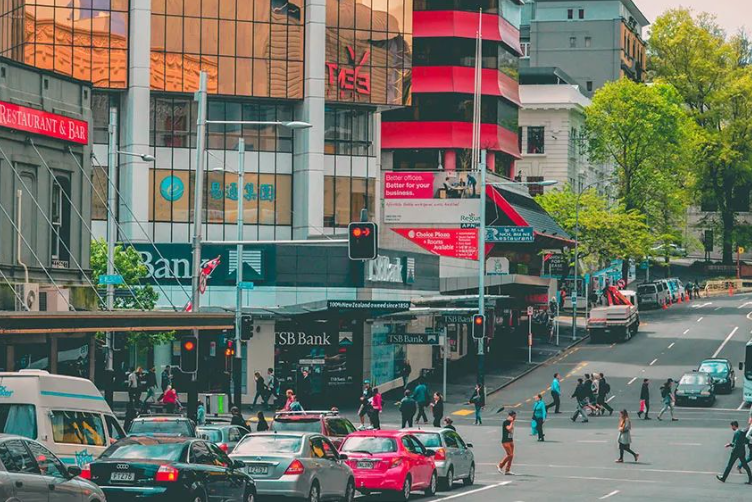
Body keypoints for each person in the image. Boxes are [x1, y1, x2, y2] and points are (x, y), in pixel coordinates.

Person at [497, 411, 516, 475]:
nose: (515, 417)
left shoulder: (510, 422)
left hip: (510, 440)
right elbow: (509, 429)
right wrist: (512, 422)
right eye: (514, 416)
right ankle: (500, 465)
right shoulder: (506, 422)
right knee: (510, 455)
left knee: (511, 456)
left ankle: (507, 470)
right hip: (505, 441)